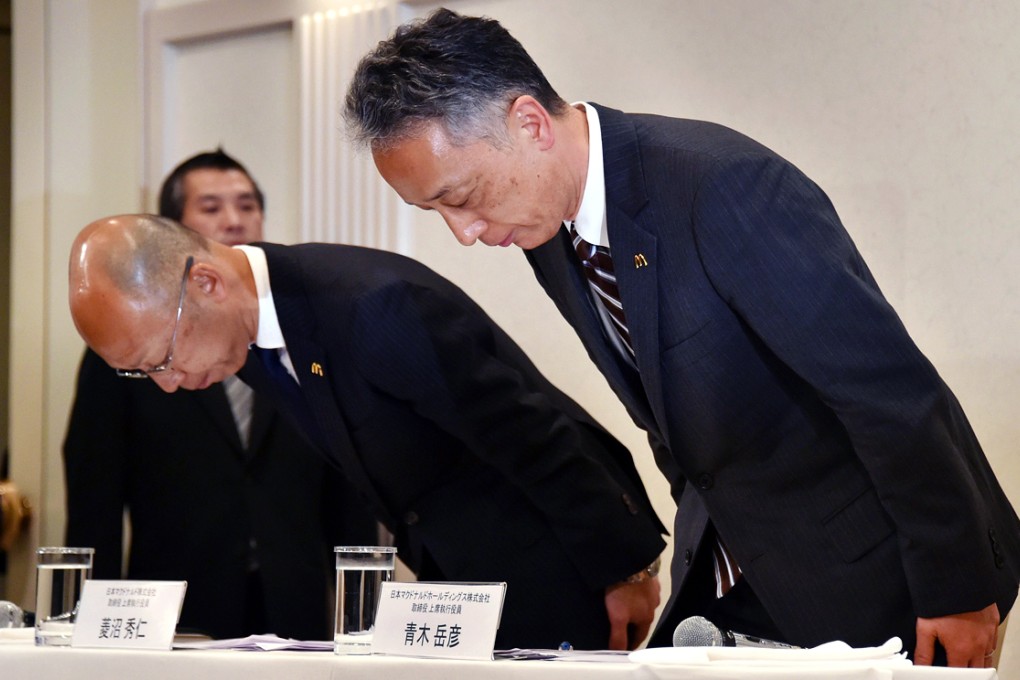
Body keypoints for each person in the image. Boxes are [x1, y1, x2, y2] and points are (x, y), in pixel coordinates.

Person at [342, 7, 1020, 667]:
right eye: (434, 212)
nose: (463, 233)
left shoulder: (720, 186)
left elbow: (889, 397)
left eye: (460, 198)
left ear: (529, 123)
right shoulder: (548, 229)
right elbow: (666, 412)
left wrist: (957, 589)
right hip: (736, 572)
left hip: (882, 576)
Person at [67, 213, 668, 651]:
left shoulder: (373, 306)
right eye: (143, 374)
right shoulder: (245, 340)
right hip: (455, 584)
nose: (168, 383)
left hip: (557, 568)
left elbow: (534, 435)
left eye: (163, 357)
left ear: (206, 284)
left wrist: (625, 569)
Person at [63, 150, 380, 640]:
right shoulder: (133, 345)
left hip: (293, 603)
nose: (234, 220)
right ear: (176, 232)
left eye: (247, 205)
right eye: (211, 208)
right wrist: (91, 624)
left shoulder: (308, 330)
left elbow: (348, 488)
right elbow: (95, 493)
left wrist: (363, 615)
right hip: (174, 606)